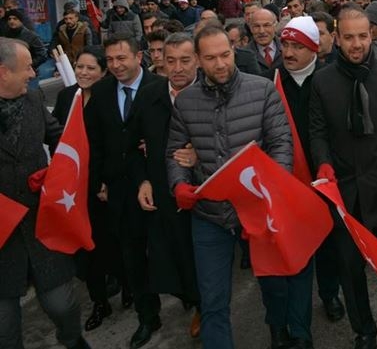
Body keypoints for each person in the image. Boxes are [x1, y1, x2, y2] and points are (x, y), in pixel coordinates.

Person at [165, 24, 295, 348]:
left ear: (233, 51)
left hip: (256, 211)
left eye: (225, 55)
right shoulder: (185, 102)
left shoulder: (262, 90)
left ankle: (279, 330)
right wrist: (179, 185)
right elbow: (174, 152)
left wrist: (268, 197)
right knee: (213, 300)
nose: (221, 64)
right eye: (211, 58)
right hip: (209, 216)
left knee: (274, 285)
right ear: (197, 59)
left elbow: (281, 144)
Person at [308, 6, 377, 349]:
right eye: (349, 37)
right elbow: (318, 131)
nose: (356, 44)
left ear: (373, 35)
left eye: (363, 36)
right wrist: (323, 164)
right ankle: (364, 329)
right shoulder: (322, 81)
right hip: (344, 192)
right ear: (336, 39)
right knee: (350, 270)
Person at [0, 38, 92, 349]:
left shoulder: (34, 100)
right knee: (5, 325)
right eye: (27, 67)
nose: (32, 73)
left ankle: (73, 340)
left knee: (62, 305)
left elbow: (60, 140)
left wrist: (58, 174)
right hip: (1, 237)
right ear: (3, 72)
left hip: (40, 225)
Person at [84, 33, 167, 349]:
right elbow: (95, 142)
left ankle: (194, 302)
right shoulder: (101, 92)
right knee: (132, 259)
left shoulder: (158, 89)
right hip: (119, 191)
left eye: (122, 58)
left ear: (138, 57)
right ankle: (148, 317)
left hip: (157, 186)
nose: (116, 65)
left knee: (170, 250)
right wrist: (98, 182)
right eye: (111, 60)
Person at [267, 17, 346, 327]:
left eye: (297, 46)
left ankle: (329, 293)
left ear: (314, 49)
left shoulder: (331, 80)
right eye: (285, 44)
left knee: (328, 241)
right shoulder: (269, 81)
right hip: (286, 177)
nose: (288, 52)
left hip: (326, 174)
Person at [135, 33, 202, 339]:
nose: (177, 68)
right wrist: (144, 180)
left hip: (205, 195)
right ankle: (192, 298)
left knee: (202, 257)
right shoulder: (149, 95)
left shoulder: (213, 92)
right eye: (170, 60)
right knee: (174, 256)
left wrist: (199, 155)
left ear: (198, 60)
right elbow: (132, 146)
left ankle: (205, 308)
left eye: (185, 60)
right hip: (164, 193)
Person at [52, 47, 122, 333]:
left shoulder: (110, 97)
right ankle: (100, 302)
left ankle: (126, 284)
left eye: (90, 68)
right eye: (79, 66)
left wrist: (104, 181)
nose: (82, 72)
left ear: (103, 72)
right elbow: (57, 138)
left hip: (104, 184)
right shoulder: (67, 96)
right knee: (87, 248)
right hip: (73, 187)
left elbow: (113, 144)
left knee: (112, 241)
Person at [247, 8, 282, 73]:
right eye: (257, 26)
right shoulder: (244, 55)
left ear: (275, 26)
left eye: (266, 25)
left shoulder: (287, 49)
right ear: (251, 28)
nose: (261, 31)